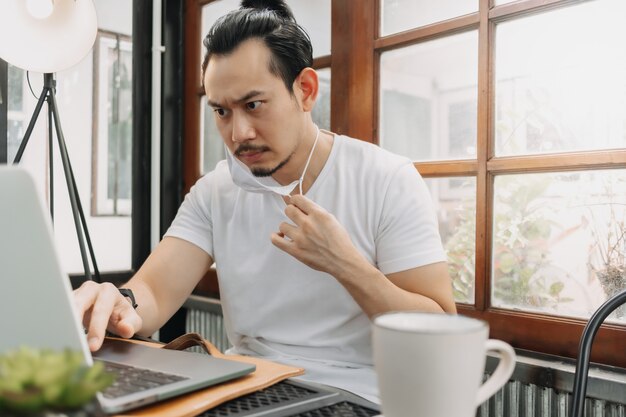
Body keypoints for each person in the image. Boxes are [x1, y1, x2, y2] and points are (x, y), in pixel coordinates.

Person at [74, 0, 456, 402]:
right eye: (222, 111)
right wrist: (119, 303)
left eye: (253, 105)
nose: (238, 132)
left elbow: (440, 335)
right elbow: (152, 292)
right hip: (249, 388)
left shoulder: (387, 179)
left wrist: (347, 265)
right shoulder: (215, 191)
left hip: (356, 396)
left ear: (305, 91)